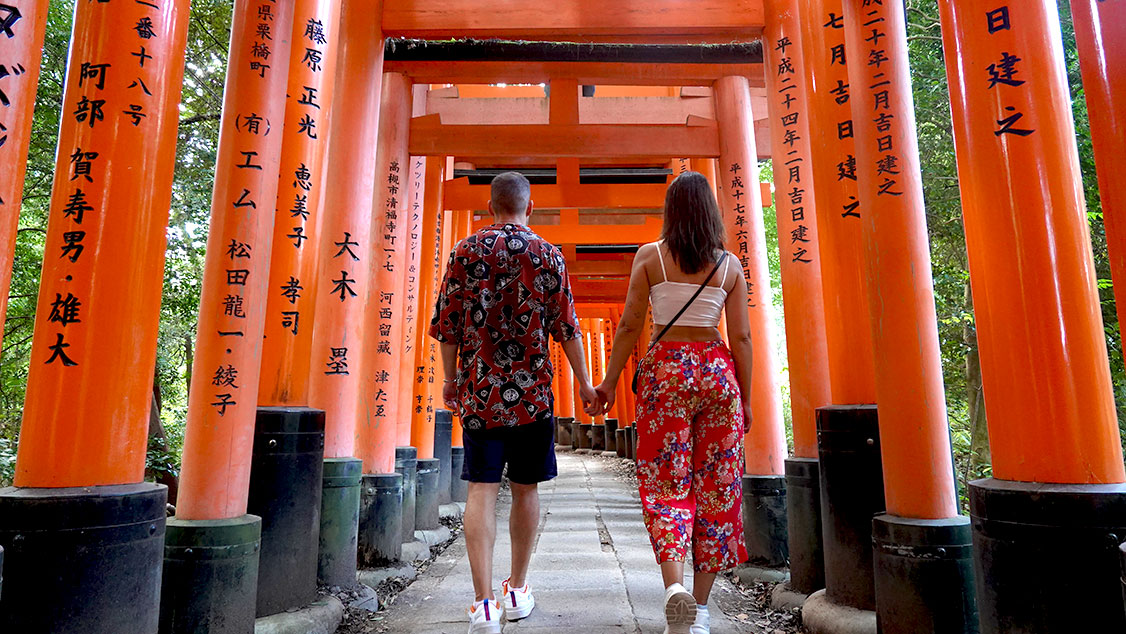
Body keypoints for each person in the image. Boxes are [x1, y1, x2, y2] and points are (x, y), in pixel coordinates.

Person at [430, 171, 599, 634]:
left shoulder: (465, 252)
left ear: (490, 207)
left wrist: (451, 380)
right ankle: (518, 589)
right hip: (532, 396)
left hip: (480, 392)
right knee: (526, 488)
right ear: (530, 207)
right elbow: (567, 327)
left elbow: (447, 326)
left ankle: (484, 604)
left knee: (481, 490)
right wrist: (585, 384)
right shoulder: (548, 255)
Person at [593, 172, 753, 634]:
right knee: (718, 488)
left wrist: (607, 385)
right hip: (718, 372)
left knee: (666, 482)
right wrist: (746, 399)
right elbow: (741, 337)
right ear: (710, 213)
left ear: (671, 211)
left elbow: (629, 325)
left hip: (666, 372)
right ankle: (699, 611)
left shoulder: (650, 257)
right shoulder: (729, 266)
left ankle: (674, 588)